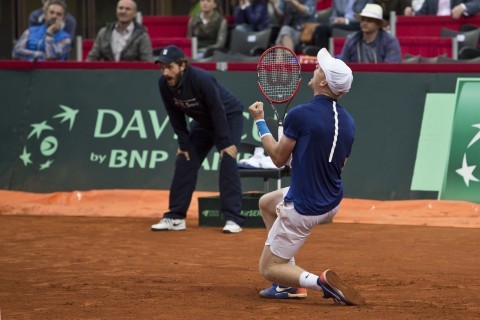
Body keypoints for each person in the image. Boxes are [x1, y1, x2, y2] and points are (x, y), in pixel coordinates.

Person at [249, 48, 365, 305]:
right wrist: (299, 159)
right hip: (331, 201)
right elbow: (338, 162)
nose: (315, 69)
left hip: (304, 207)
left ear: (323, 82)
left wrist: (260, 121)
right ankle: (287, 284)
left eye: (319, 68)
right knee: (267, 203)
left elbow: (278, 159)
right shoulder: (348, 121)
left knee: (268, 268)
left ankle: (317, 282)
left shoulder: (300, 115)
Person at [151, 45, 245, 234]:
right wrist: (184, 144)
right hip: (203, 121)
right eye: (162, 67)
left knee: (228, 159)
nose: (165, 72)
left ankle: (233, 219)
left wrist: (225, 143)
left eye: (169, 67)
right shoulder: (164, 84)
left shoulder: (201, 78)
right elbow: (175, 115)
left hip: (227, 116)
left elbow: (217, 109)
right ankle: (176, 217)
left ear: (182, 65)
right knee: (185, 159)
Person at [86, 0, 153, 62]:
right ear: (116, 11)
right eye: (120, 8)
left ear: (134, 14)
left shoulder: (142, 36)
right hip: (107, 73)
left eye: (127, 9)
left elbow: (147, 62)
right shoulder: (103, 33)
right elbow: (92, 58)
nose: (123, 11)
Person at [404, 0, 480, 18]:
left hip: (458, 31)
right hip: (435, 33)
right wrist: (411, 13)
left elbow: (477, 3)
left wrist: (463, 7)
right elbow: (422, 14)